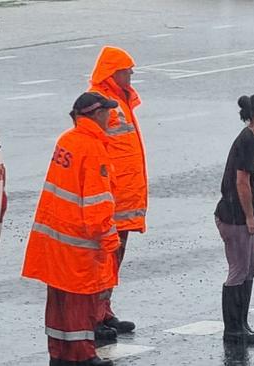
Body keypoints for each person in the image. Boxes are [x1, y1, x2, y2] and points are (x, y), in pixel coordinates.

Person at [21, 92, 121, 366]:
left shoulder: (67, 140)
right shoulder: (93, 148)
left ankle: (59, 352)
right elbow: (97, 203)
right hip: (78, 241)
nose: (111, 116)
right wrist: (109, 240)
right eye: (108, 111)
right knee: (80, 300)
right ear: (96, 114)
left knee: (59, 300)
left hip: (54, 239)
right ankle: (82, 355)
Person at [88, 46, 146, 336]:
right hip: (110, 197)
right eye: (127, 69)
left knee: (114, 258)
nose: (132, 74)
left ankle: (104, 311)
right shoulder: (102, 104)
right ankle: (94, 317)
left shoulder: (117, 100)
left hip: (122, 196)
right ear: (114, 73)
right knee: (104, 259)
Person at [214, 94, 254, 344]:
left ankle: (242, 322)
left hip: (242, 216)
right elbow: (241, 181)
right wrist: (250, 216)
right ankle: (233, 328)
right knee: (239, 270)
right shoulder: (246, 141)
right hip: (234, 216)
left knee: (251, 267)